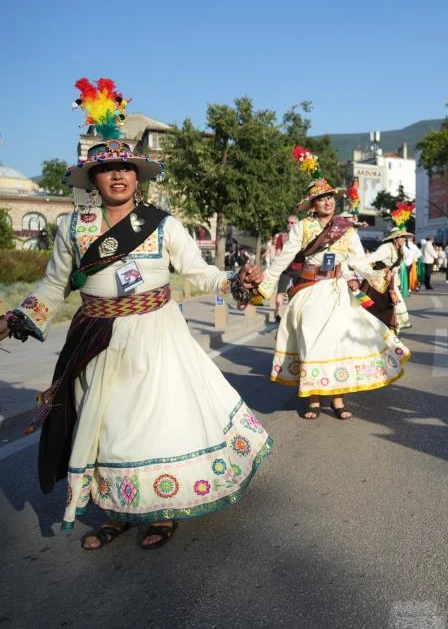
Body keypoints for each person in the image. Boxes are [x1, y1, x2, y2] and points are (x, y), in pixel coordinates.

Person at [0, 83, 270, 550]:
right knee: (109, 425)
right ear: (93, 179)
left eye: (125, 167)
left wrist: (234, 280)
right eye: (107, 169)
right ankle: (117, 511)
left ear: (137, 176)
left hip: (158, 335)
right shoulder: (73, 228)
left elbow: (199, 272)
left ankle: (160, 510)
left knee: (155, 422)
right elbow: (52, 286)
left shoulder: (163, 225)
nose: (118, 175)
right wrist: (15, 319)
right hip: (97, 339)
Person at [255, 148, 410, 421]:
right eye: (321, 198)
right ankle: (314, 397)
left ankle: (338, 399)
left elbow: (359, 261)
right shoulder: (303, 227)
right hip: (310, 289)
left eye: (330, 197)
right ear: (312, 204)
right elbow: (284, 258)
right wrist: (265, 283)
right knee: (313, 341)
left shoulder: (346, 229)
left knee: (339, 342)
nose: (327, 202)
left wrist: (378, 274)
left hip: (338, 291)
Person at [361, 204, 413, 332]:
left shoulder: (399, 249)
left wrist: (395, 277)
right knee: (383, 305)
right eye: (402, 237)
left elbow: (397, 266)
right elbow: (370, 259)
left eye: (404, 237)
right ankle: (386, 328)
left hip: (390, 280)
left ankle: (393, 327)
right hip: (380, 280)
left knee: (394, 302)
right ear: (395, 238)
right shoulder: (386, 248)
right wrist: (370, 272)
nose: (404, 239)